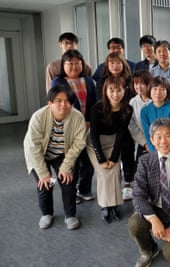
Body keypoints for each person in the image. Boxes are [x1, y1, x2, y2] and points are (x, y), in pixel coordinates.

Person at [128, 118, 170, 267]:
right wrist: (153, 219)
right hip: (156, 211)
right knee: (134, 223)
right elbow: (138, 194)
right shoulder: (145, 161)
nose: (163, 141)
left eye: (167, 135)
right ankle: (149, 250)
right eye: (158, 136)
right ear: (152, 140)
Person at [24, 84, 86, 230]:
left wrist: (66, 167)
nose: (63, 105)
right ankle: (46, 213)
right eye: (58, 100)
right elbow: (33, 147)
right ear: (50, 103)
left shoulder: (77, 117)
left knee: (68, 181)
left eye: (67, 101)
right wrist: (43, 173)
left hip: (62, 153)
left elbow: (78, 144)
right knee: (45, 184)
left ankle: (70, 215)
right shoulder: (38, 117)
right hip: (39, 154)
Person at [51, 49, 97, 204]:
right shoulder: (58, 82)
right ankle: (73, 190)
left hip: (88, 126)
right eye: (70, 63)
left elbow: (93, 103)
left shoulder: (89, 80)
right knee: (73, 161)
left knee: (89, 161)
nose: (74, 66)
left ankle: (84, 189)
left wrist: (90, 120)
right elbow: (59, 106)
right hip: (69, 128)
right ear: (63, 65)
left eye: (78, 63)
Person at [87, 76, 133, 224]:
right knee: (103, 172)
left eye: (118, 90)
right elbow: (93, 134)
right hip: (95, 143)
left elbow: (121, 135)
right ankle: (106, 206)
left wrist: (113, 158)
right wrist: (101, 158)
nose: (115, 94)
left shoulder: (127, 109)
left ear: (124, 90)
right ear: (105, 91)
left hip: (114, 142)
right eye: (111, 90)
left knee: (113, 170)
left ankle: (114, 204)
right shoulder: (96, 108)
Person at [94, 52, 136, 195]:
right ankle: (114, 184)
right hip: (108, 121)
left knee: (128, 151)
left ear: (123, 64)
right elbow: (103, 103)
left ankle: (128, 183)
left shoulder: (129, 80)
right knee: (112, 159)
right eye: (112, 63)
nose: (115, 66)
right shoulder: (102, 82)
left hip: (125, 118)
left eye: (118, 63)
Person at [140, 76, 170, 152]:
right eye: (155, 89)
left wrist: (169, 153)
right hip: (155, 150)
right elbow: (148, 135)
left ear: (167, 92)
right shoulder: (145, 111)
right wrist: (155, 154)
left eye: (162, 89)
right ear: (149, 90)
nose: (158, 92)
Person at [126, 69, 153, 200]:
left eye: (142, 83)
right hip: (143, 143)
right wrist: (144, 142)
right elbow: (132, 126)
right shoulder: (132, 102)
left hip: (158, 142)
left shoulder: (155, 99)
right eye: (136, 83)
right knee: (141, 171)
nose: (139, 86)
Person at [150, 40, 170, 105]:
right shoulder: (152, 72)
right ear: (155, 55)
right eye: (159, 51)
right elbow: (151, 92)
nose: (162, 53)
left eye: (165, 51)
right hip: (157, 106)